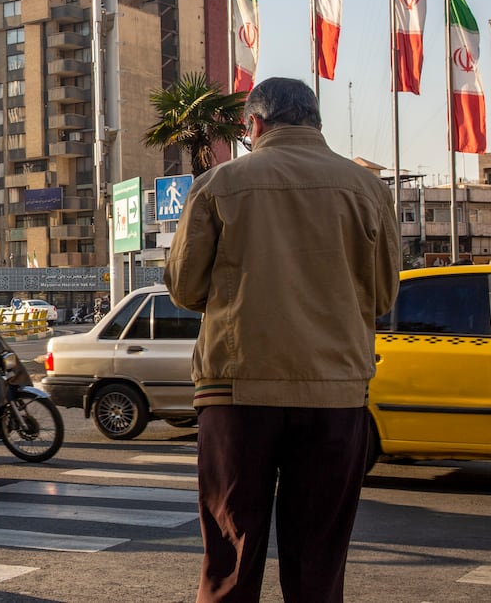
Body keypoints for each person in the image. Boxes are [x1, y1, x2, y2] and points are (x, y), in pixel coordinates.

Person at [164, 77, 400, 603]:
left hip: (236, 393)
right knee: (318, 564)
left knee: (229, 564)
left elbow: (184, 288)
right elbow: (383, 295)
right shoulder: (368, 190)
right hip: (335, 394)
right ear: (316, 124)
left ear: (255, 125)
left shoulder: (218, 185)